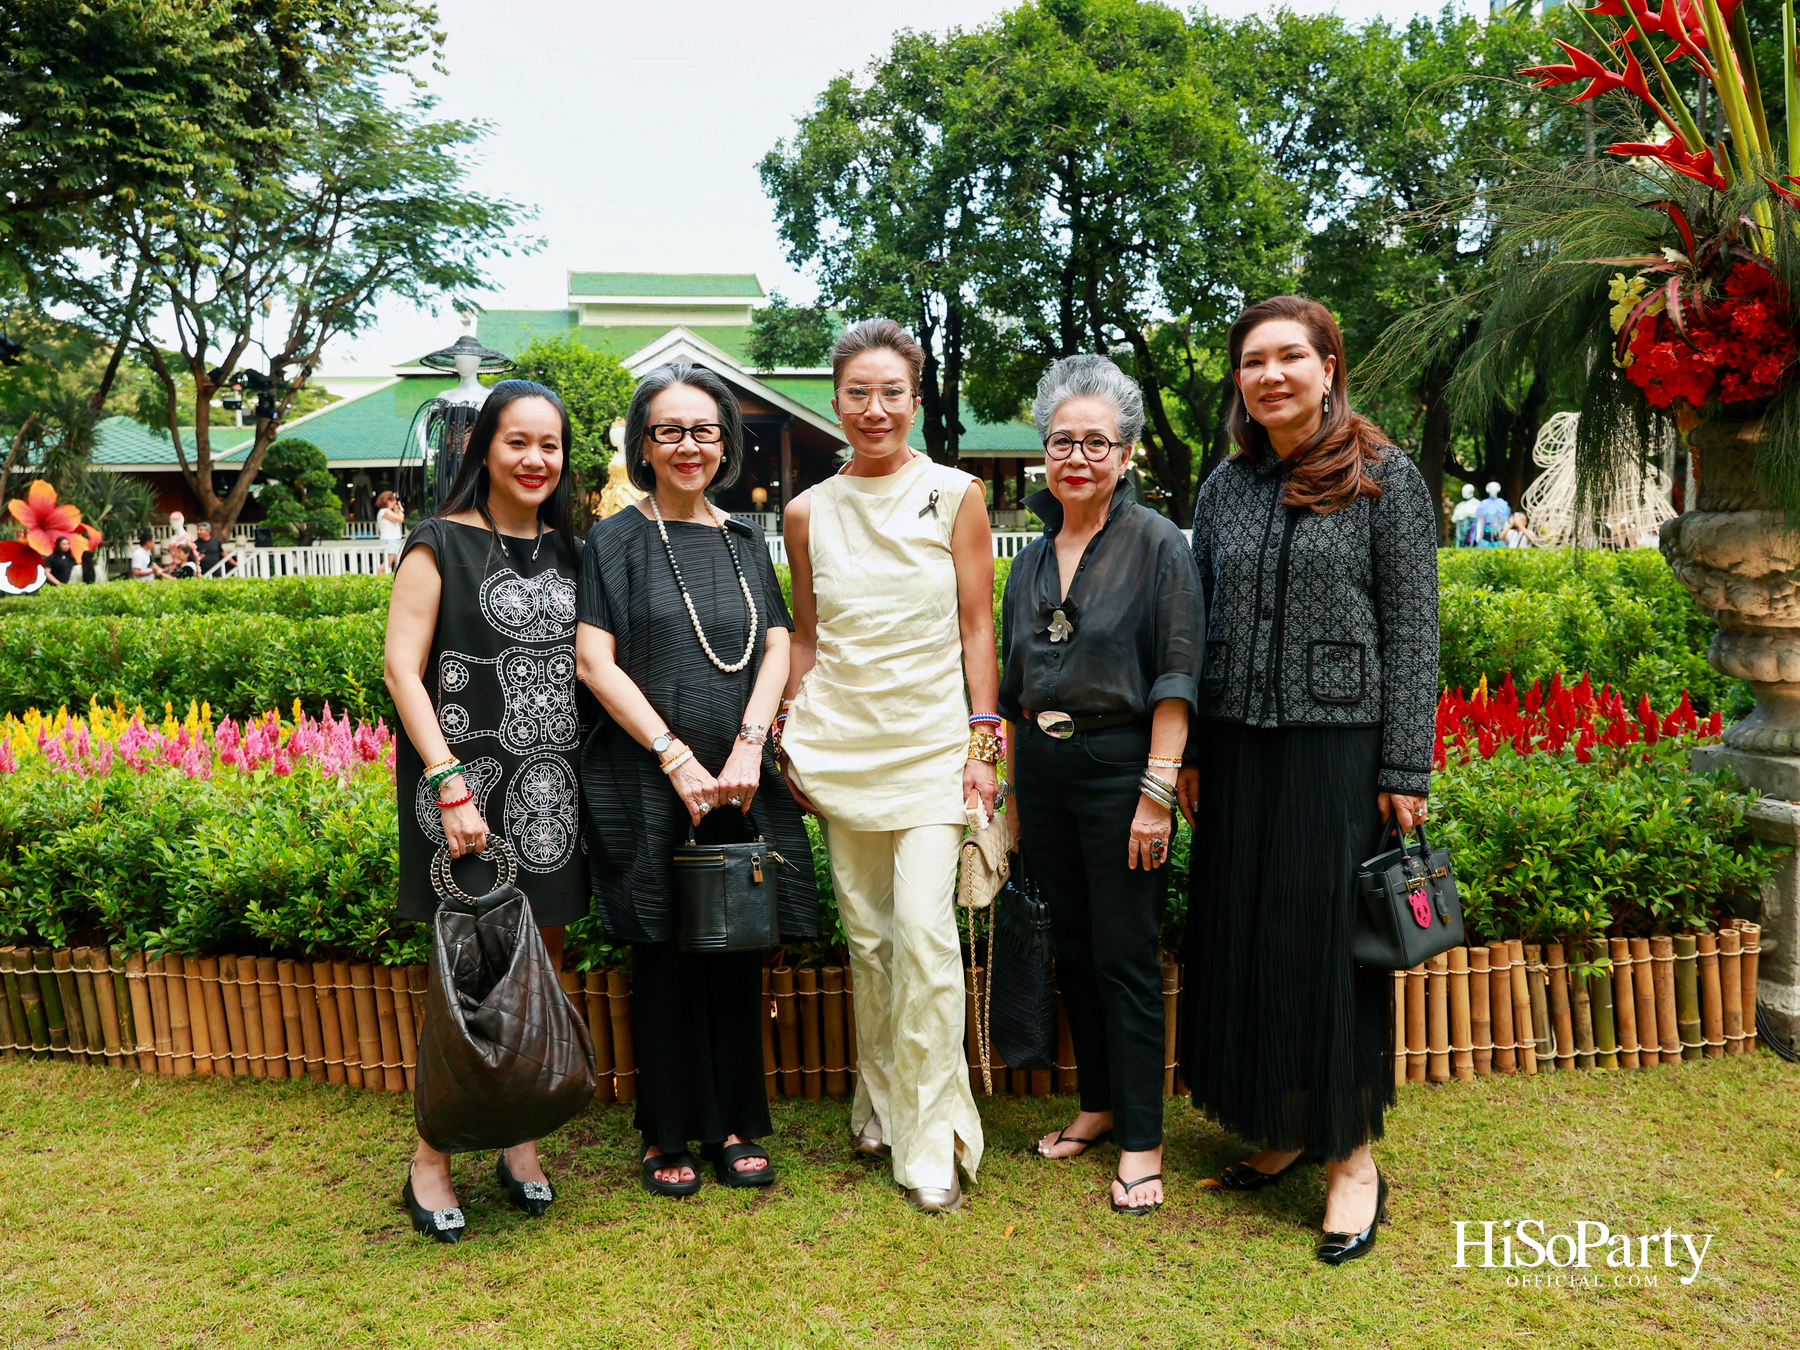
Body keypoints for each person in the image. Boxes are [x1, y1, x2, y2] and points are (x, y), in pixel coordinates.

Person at [1179, 295, 1437, 1266]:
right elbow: (1198, 622)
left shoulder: (1385, 476)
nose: (1271, 375)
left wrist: (1404, 764)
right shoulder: (1225, 486)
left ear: (1329, 366)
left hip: (1340, 748)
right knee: (1249, 933)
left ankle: (1352, 1159)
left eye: (1290, 356)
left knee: (1329, 948)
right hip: (1236, 745)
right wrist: (1192, 749)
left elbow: (1415, 627)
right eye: (1254, 361)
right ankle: (1282, 1121)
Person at [576, 363, 818, 1197]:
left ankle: (737, 1123)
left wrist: (749, 746)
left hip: (739, 776)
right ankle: (667, 1132)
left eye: (705, 430)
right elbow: (594, 661)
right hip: (650, 772)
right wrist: (674, 755)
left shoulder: (744, 538)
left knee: (737, 947)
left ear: (726, 442)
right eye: (670, 430)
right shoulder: (614, 539)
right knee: (665, 956)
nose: (689, 445)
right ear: (643, 445)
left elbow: (778, 643)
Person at [780, 317, 993, 1214]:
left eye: (891, 392)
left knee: (925, 939)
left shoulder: (956, 494)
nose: (874, 408)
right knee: (867, 942)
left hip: (933, 747)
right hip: (842, 746)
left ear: (916, 399)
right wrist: (790, 730)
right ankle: (878, 1101)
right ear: (835, 401)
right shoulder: (806, 511)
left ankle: (931, 1137)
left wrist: (984, 745)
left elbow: (977, 627)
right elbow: (807, 636)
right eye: (857, 392)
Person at [383, 379, 589, 1243]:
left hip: (552, 788)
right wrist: (450, 784)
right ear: (483, 449)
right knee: (464, 972)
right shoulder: (436, 543)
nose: (536, 459)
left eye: (551, 445)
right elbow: (402, 670)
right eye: (518, 442)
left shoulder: (573, 551)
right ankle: (430, 1157)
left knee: (541, 959)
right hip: (462, 783)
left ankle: (519, 1141)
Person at [1000, 354, 1202, 1217]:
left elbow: (1179, 673)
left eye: (1095, 443)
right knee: (1073, 948)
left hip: (1124, 771)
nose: (1076, 458)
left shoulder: (1157, 544)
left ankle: (1143, 1141)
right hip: (1044, 773)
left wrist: (1156, 793)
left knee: (1123, 956)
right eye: (1061, 441)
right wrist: (1011, 799)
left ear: (1125, 454)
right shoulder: (1030, 560)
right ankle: (1098, 1103)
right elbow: (1012, 689)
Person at [377, 491, 407, 572]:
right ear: (388, 500)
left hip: (391, 539)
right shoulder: (385, 511)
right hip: (390, 539)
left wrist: (396, 509)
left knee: (391, 562)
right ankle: (375, 575)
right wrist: (401, 509)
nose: (395, 502)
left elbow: (396, 517)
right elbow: (400, 519)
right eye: (394, 500)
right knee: (388, 563)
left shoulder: (386, 511)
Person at [1475, 482, 1510, 548]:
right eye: (1491, 488)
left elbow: (1506, 521)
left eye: (1494, 488)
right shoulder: (1483, 504)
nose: (1492, 490)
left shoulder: (1502, 504)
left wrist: (1506, 534)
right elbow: (1480, 521)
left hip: (1499, 537)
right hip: (1486, 537)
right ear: (1487, 489)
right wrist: (1479, 534)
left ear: (1498, 489)